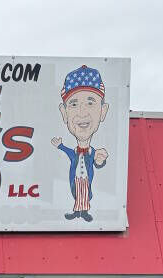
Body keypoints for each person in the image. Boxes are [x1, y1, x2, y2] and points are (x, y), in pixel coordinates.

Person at [50, 65, 110, 222]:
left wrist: (100, 161)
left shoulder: (92, 152)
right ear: (64, 113)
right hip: (77, 179)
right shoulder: (75, 152)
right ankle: (77, 212)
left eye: (90, 103)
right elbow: (68, 152)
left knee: (85, 194)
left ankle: (84, 212)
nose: (82, 113)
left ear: (103, 111)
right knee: (78, 194)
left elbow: (97, 162)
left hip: (85, 180)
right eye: (74, 104)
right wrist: (60, 145)